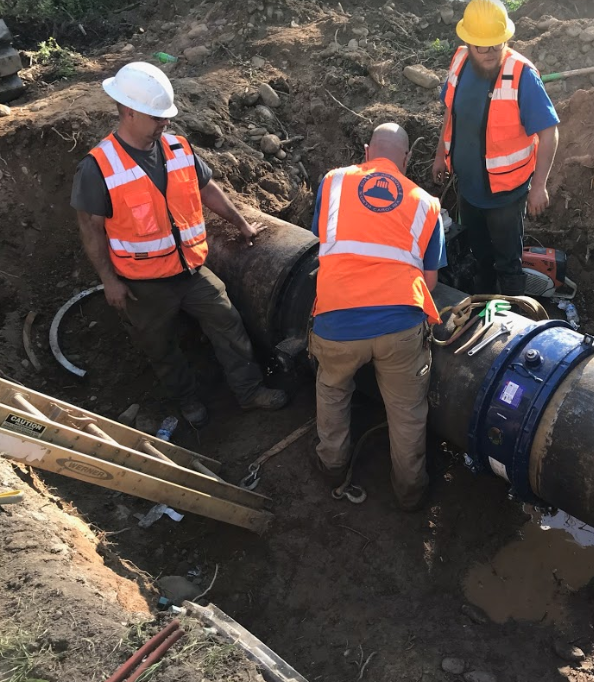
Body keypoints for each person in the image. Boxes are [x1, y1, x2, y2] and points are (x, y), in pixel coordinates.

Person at [71, 62, 288, 428]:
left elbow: (206, 189)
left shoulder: (177, 147)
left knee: (228, 323)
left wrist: (241, 223)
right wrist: (109, 280)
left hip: (191, 271)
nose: (165, 123)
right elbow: (91, 230)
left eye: (166, 116)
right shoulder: (98, 167)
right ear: (129, 112)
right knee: (160, 347)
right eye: (157, 117)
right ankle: (187, 400)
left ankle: (248, 392)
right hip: (143, 284)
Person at [310, 123, 446, 511]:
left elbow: (324, 240)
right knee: (407, 413)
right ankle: (410, 492)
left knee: (333, 392)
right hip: (400, 326)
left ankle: (332, 466)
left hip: (337, 321)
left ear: (368, 152)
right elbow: (430, 281)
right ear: (405, 158)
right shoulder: (425, 203)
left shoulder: (334, 182)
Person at [432, 0, 559, 296]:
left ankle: (517, 314)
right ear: (468, 42)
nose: (490, 53)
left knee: (508, 264)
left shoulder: (522, 75)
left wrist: (539, 186)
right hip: (468, 190)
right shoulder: (460, 61)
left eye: (496, 45)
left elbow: (549, 132)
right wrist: (440, 154)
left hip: (505, 197)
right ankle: (481, 307)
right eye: (482, 47)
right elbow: (451, 114)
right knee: (479, 257)